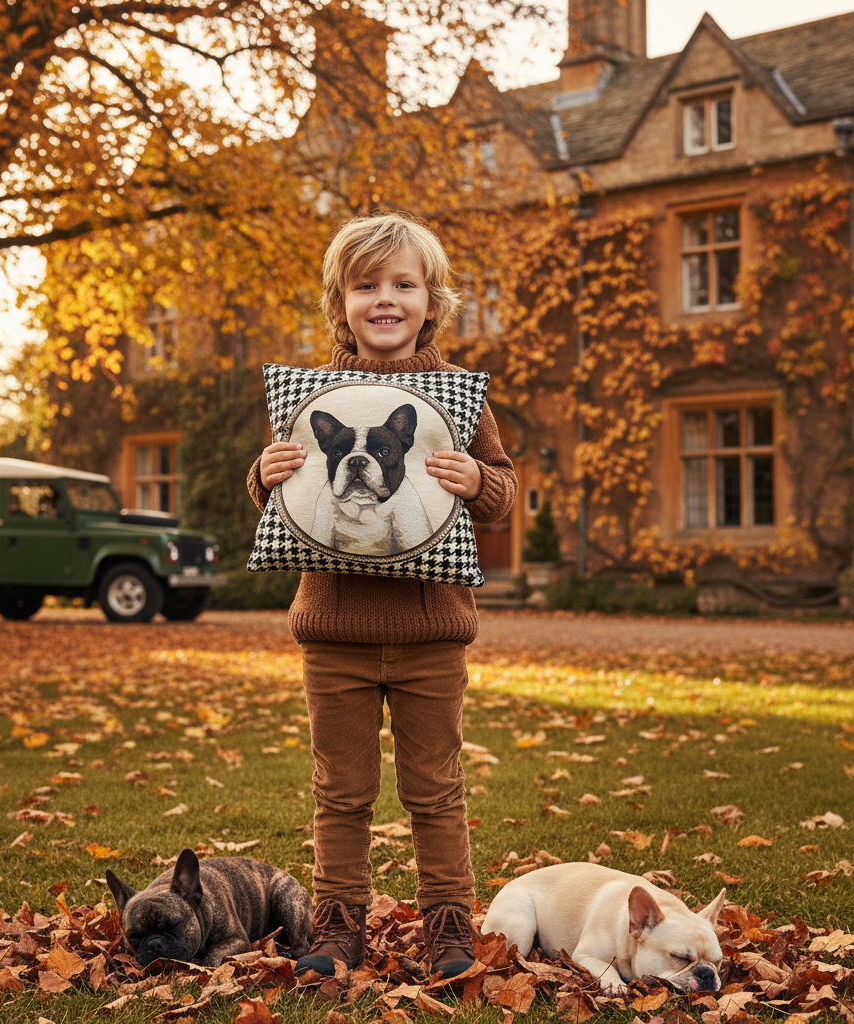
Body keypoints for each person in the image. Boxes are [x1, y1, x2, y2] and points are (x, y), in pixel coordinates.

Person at [247, 212, 517, 981]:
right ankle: (336, 930)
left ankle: (448, 928)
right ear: (340, 305)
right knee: (341, 790)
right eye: (366, 286)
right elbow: (281, 494)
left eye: (403, 284)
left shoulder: (458, 397)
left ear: (433, 301)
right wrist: (261, 474)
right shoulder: (309, 394)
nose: (385, 299)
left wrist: (479, 481)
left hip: (432, 634)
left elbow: (502, 491)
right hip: (334, 630)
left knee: (436, 790)